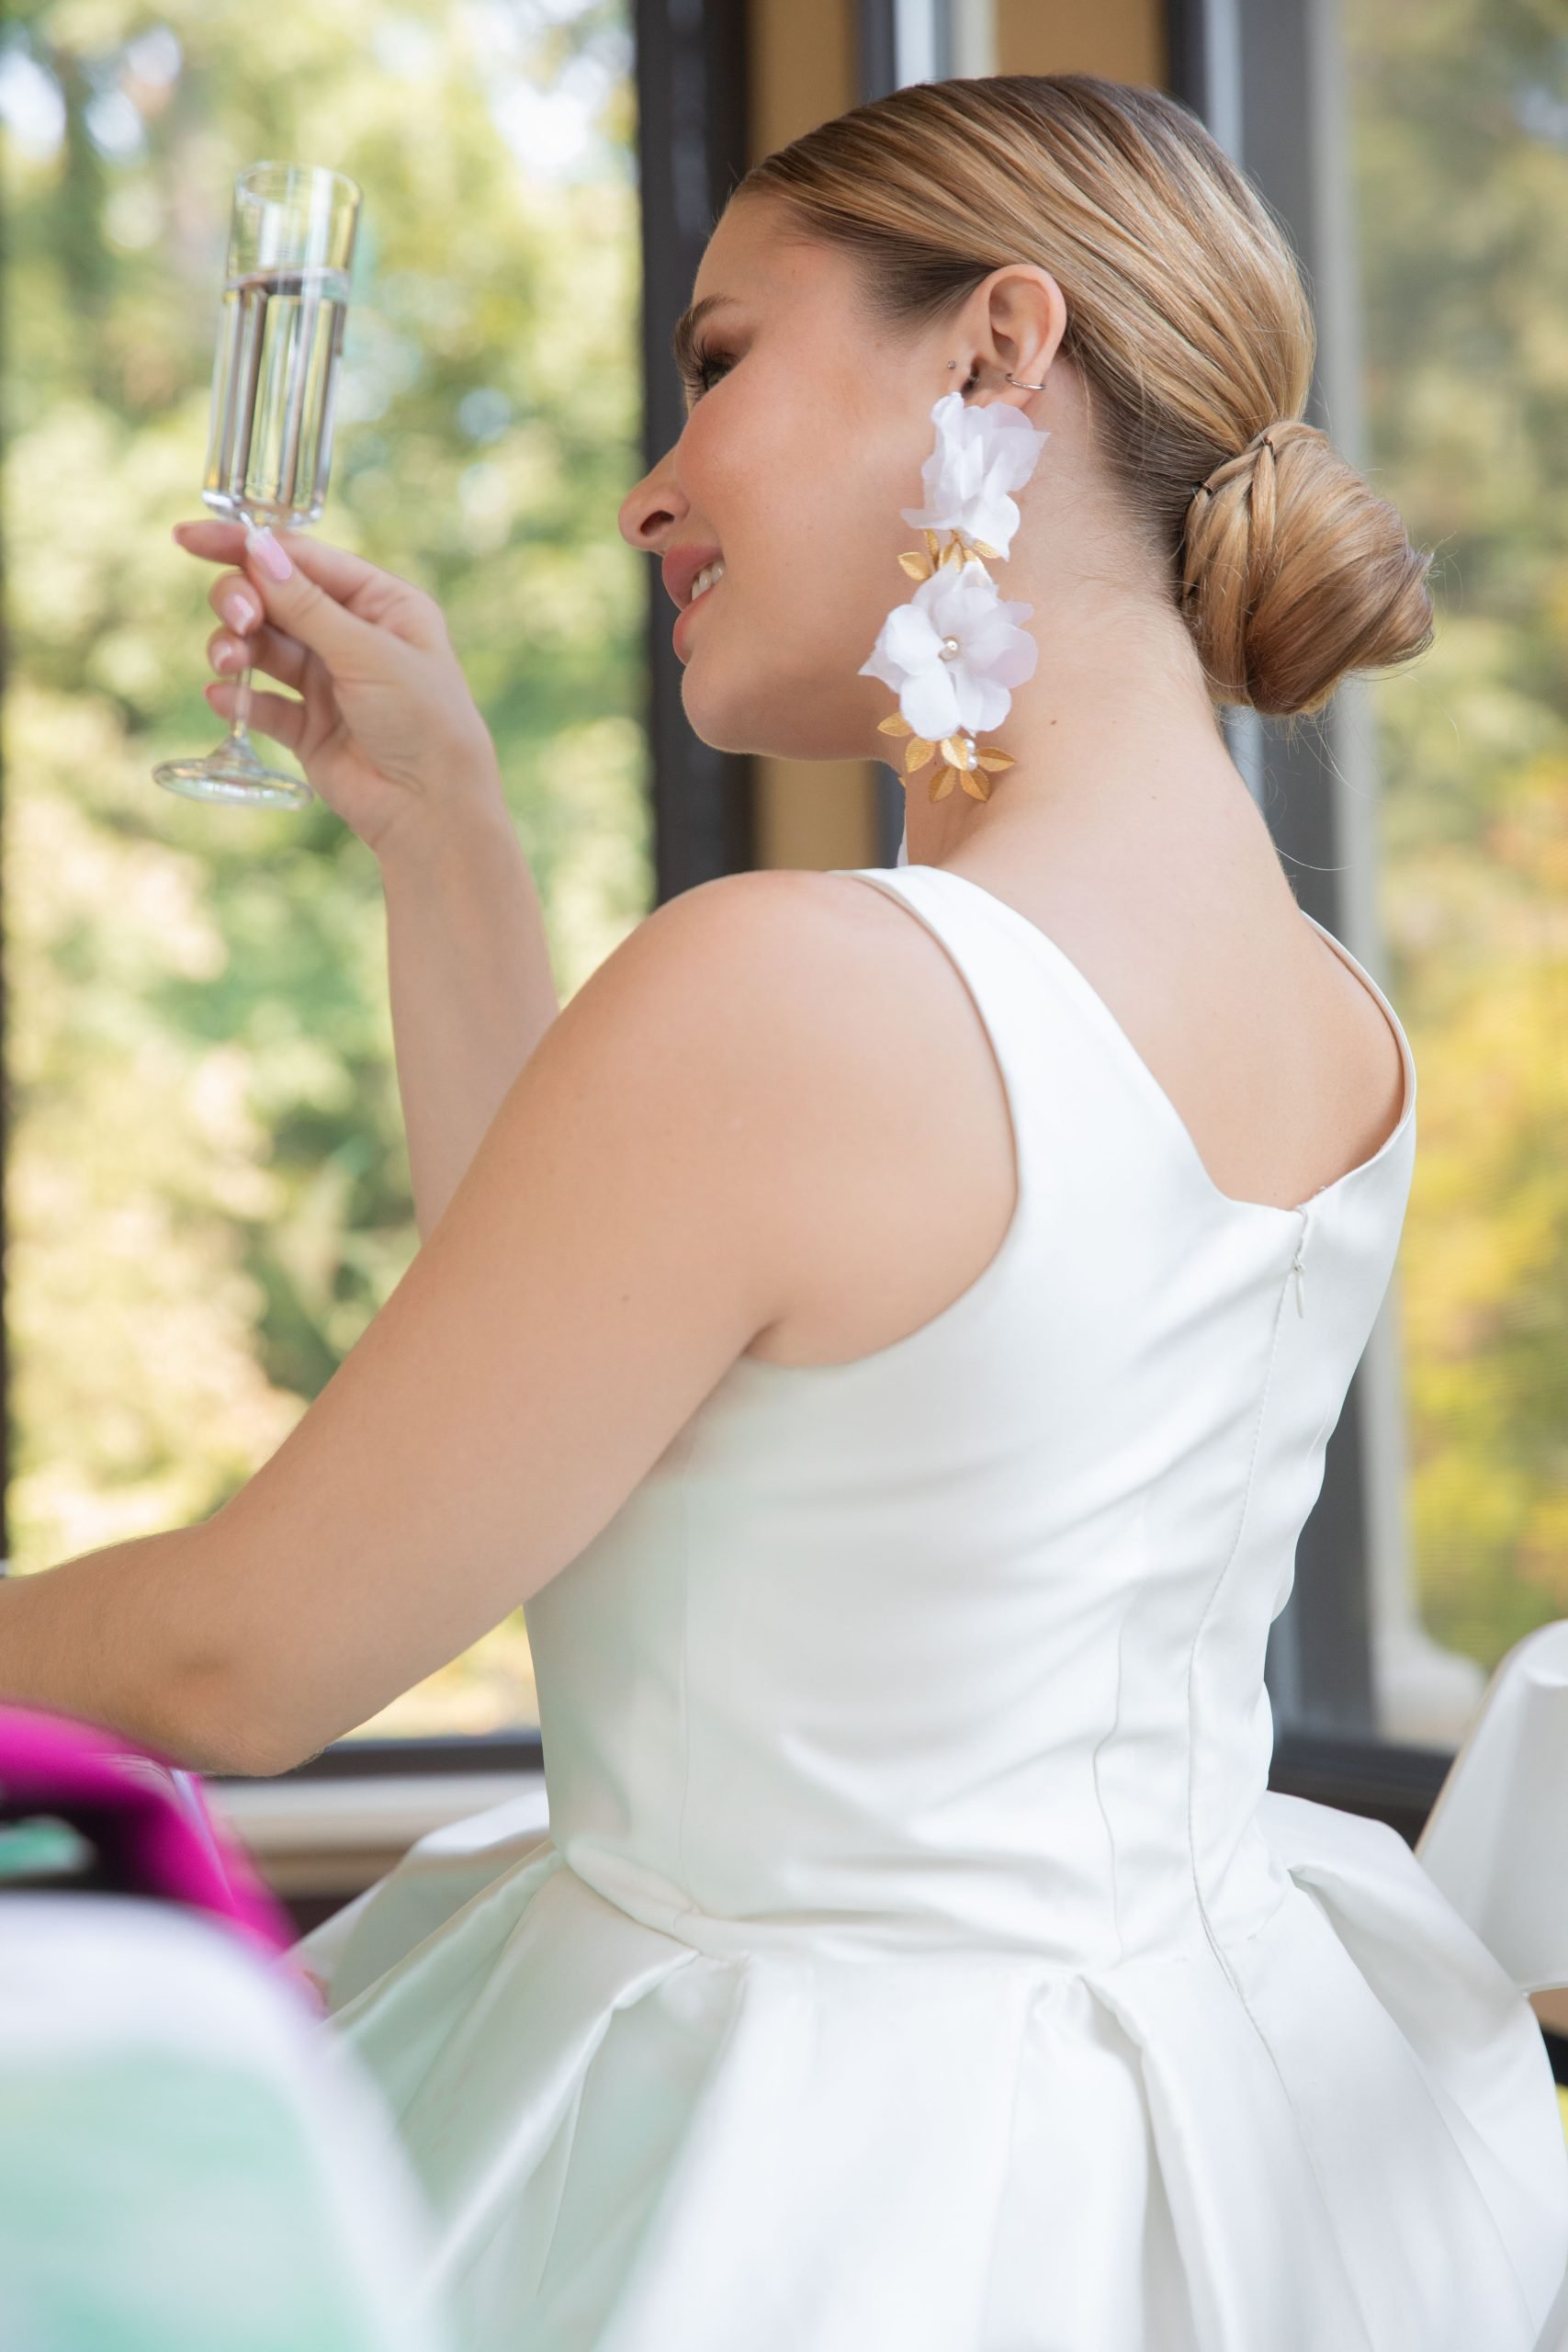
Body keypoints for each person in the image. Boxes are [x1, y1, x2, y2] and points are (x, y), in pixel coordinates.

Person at [4, 68, 1565, 2352]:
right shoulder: (1327, 1012)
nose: (649, 489)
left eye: (720, 359)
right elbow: (618, 1394)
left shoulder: (808, 989)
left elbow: (242, 1659)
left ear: (995, 349)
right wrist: (446, 831)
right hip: (1225, 2131)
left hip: (799, 2178)